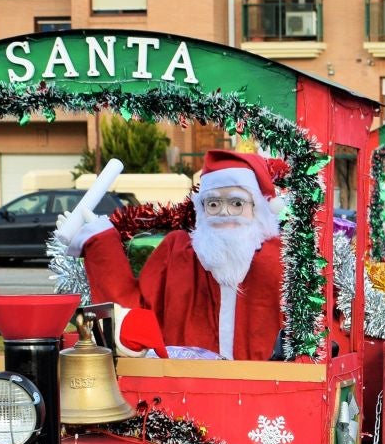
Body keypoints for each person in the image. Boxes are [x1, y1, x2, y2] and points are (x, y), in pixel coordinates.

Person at [68, 148, 285, 360]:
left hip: (268, 387)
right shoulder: (177, 252)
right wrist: (99, 241)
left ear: (258, 207)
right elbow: (136, 315)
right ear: (201, 209)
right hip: (184, 385)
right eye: (213, 203)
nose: (223, 212)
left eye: (237, 203)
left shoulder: (282, 258)